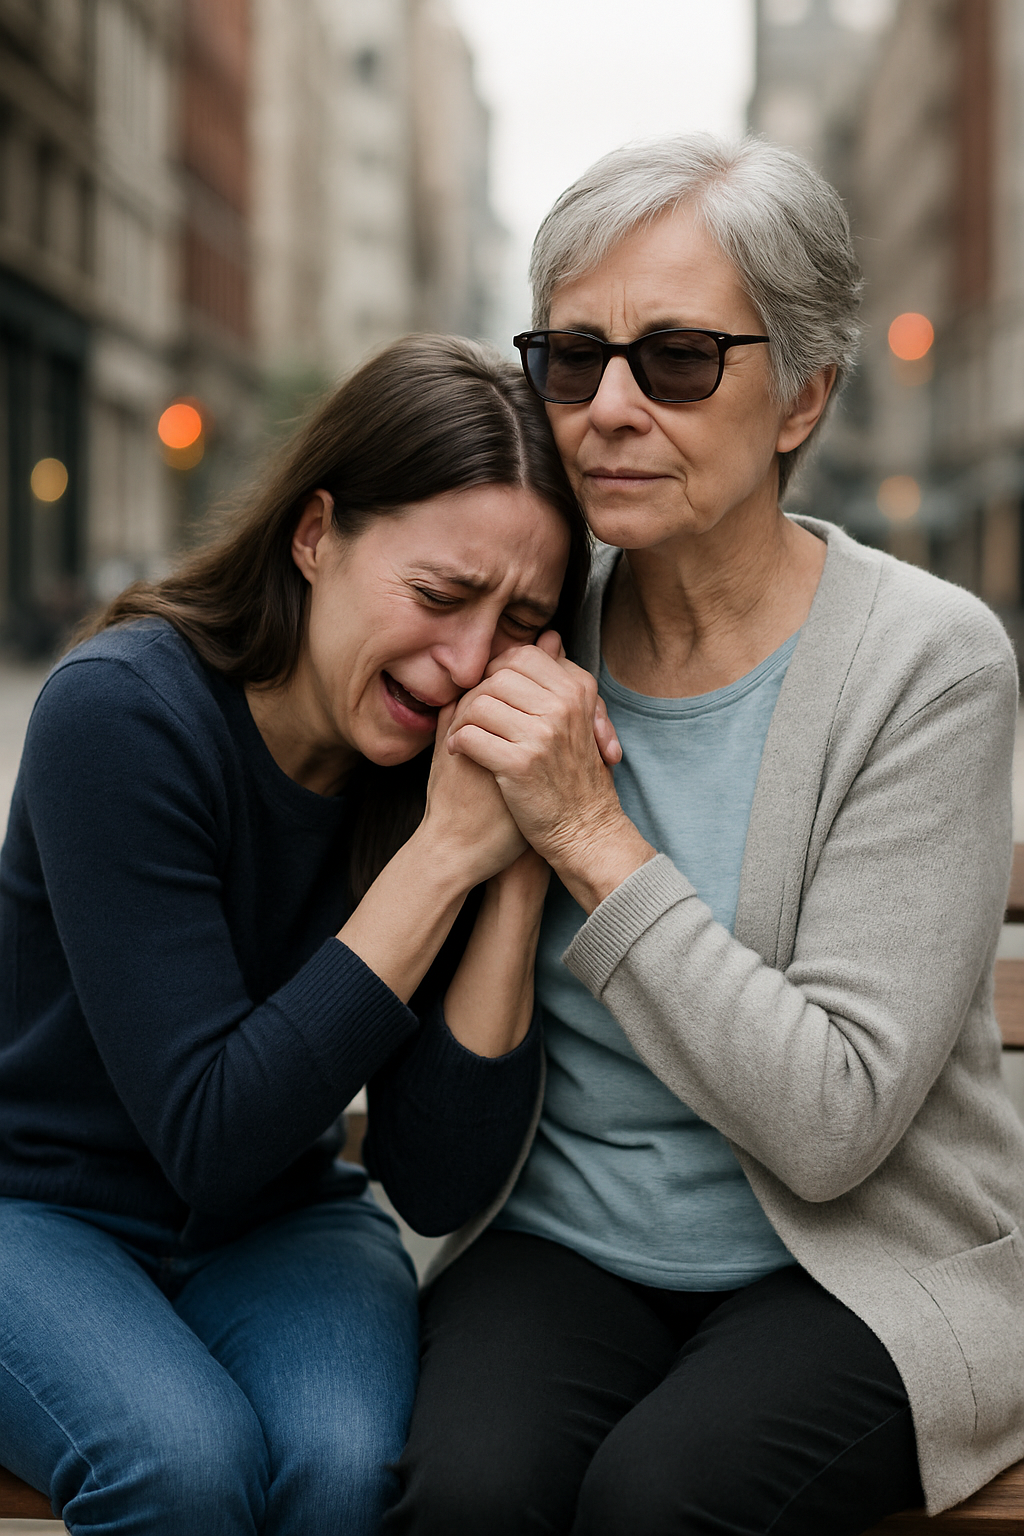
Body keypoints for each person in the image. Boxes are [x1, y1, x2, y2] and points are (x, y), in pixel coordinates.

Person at [386, 138, 1024, 1535]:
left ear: (803, 396)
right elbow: (425, 1146)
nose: (609, 410)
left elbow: (831, 1123)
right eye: (573, 359)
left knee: (661, 1500)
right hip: (562, 1245)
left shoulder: (928, 665)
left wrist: (588, 833)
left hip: (859, 1268)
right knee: (468, 1496)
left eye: (677, 360)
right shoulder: (521, 642)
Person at [0, 334, 596, 1535]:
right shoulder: (121, 714)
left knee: (345, 1468)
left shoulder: (447, 776)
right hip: (41, 1213)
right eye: (440, 596)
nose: (466, 663)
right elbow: (210, 1134)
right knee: (182, 1464)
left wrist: (516, 869)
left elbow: (432, 1182)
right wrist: (443, 857)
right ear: (315, 534)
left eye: (519, 624)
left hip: (283, 1225)